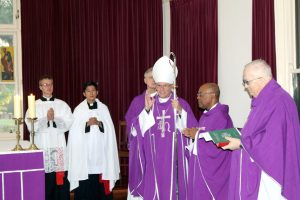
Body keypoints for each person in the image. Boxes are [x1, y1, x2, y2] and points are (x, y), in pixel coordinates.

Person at [223, 59, 300, 199]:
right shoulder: (267, 99)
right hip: (261, 170)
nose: (245, 87)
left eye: (247, 82)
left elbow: (273, 141)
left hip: (270, 175)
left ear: (261, 79)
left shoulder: (278, 101)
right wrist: (241, 136)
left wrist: (241, 143)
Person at [130, 56, 198, 199]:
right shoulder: (150, 102)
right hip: (153, 155)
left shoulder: (181, 104)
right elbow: (137, 129)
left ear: (172, 86)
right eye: (158, 85)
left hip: (174, 155)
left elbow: (192, 130)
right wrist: (147, 111)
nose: (161, 89)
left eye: (165, 85)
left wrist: (180, 111)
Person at [67, 81, 120, 200]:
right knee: (85, 189)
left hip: (101, 155)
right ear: (84, 94)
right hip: (84, 157)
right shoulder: (79, 110)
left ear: (97, 92)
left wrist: (99, 123)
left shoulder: (103, 108)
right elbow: (73, 132)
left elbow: (110, 130)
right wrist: (86, 124)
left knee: (101, 188)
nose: (91, 93)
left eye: (93, 91)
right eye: (88, 91)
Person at [25, 75, 73, 200]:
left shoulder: (62, 104)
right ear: (40, 87)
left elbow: (69, 122)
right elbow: (31, 126)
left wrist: (54, 119)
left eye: (50, 84)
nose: (48, 87)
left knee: (59, 181)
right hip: (42, 145)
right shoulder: (33, 105)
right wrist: (46, 119)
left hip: (58, 145)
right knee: (44, 180)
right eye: (45, 85)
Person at [183, 83, 233, 200]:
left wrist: (197, 135)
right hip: (201, 168)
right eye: (198, 94)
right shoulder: (206, 116)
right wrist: (194, 136)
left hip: (213, 172)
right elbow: (205, 137)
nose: (197, 97)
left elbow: (222, 144)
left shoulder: (221, 116)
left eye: (201, 94)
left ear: (213, 95)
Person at [125, 67, 156, 199]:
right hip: (141, 145)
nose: (153, 80)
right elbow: (130, 122)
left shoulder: (164, 99)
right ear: (145, 80)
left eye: (155, 77)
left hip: (158, 145)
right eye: (150, 77)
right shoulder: (137, 101)